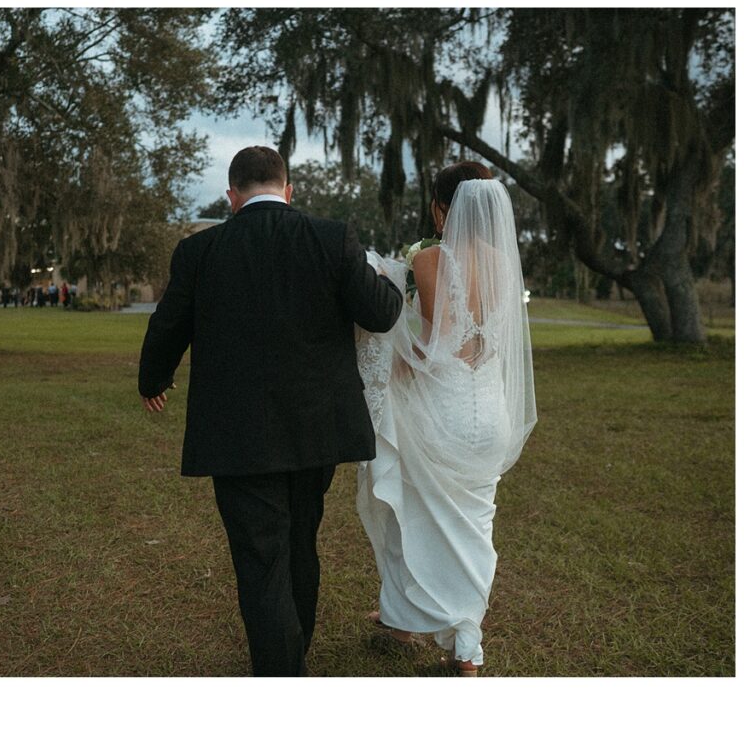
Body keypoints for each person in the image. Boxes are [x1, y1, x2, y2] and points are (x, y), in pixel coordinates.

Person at [138, 145, 403, 676]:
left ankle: (283, 671)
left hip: (237, 434)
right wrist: (390, 278)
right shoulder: (331, 238)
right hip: (317, 427)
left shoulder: (200, 251)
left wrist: (154, 378)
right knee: (300, 541)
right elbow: (380, 313)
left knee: (262, 558)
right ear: (288, 190)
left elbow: (169, 324)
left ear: (232, 196)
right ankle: (291, 654)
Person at [355, 162, 537, 677]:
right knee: (475, 527)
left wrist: (391, 345)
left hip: (445, 412)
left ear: (441, 208)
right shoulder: (506, 263)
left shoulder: (432, 260)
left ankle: (435, 628)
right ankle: (446, 637)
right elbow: (479, 343)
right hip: (491, 417)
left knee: (408, 514)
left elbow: (438, 350)